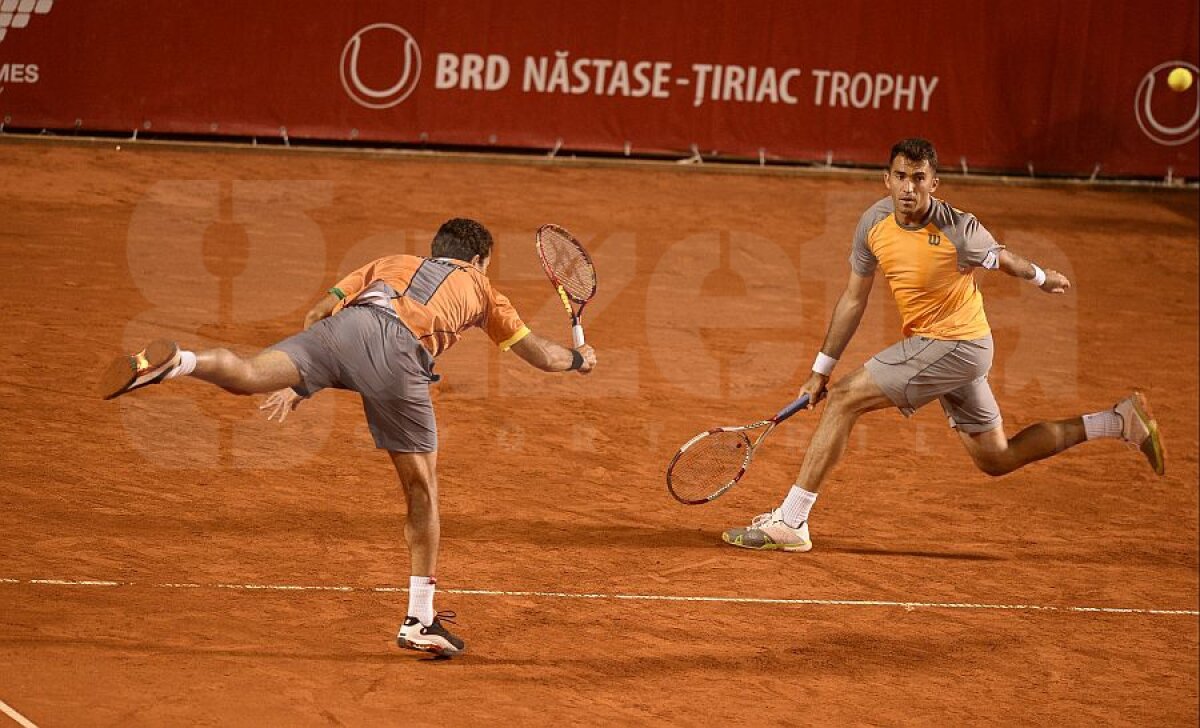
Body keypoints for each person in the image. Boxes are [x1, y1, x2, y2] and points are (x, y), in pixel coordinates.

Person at [101, 218, 597, 655]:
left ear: (435, 247)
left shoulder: (391, 260)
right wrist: (578, 360)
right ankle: (419, 619)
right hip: (399, 352)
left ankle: (177, 363)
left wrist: (307, 380)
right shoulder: (482, 288)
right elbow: (538, 354)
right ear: (477, 258)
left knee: (249, 374)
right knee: (422, 491)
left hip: (342, 330)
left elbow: (318, 313)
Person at [722, 138, 1165, 553]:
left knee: (844, 400)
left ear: (934, 183)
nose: (908, 188)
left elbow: (1006, 260)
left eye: (918, 179)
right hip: (949, 348)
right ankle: (1117, 422)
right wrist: (821, 367)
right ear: (887, 179)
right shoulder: (873, 223)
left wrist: (1045, 278)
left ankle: (792, 523)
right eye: (900, 177)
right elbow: (854, 297)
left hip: (958, 344)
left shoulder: (961, 231)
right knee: (996, 457)